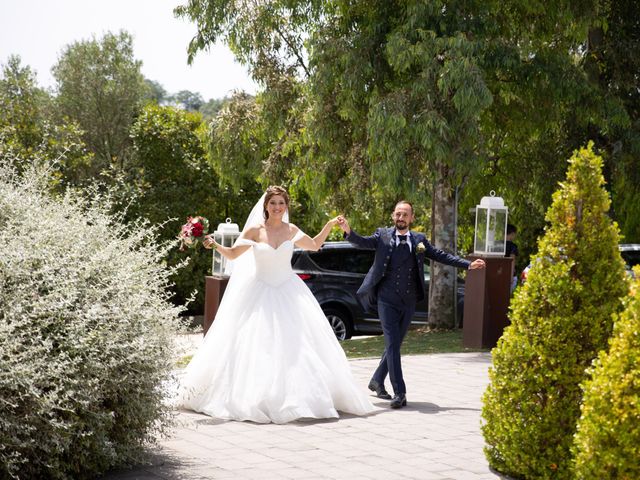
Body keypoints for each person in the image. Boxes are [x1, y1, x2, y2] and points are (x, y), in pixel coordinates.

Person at [177, 186, 374, 423]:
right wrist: (215, 245)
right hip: (259, 292)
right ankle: (255, 398)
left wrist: (330, 225)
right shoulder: (254, 230)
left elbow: (314, 245)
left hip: (289, 292)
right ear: (266, 206)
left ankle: (298, 398)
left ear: (286, 206)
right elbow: (232, 255)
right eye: (273, 203)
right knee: (255, 346)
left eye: (281, 203)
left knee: (298, 347)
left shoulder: (292, 230)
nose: (277, 207)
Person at [337, 201, 485, 409]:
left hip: (408, 301)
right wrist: (348, 231)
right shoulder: (383, 235)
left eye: (405, 214)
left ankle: (377, 380)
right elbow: (362, 242)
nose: (401, 217)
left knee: (395, 344)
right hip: (386, 300)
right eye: (398, 214)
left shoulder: (419, 240)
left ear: (412, 218)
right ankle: (400, 392)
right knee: (392, 344)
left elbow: (440, 256)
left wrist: (467, 264)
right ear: (392, 216)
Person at [505, 224, 518, 293]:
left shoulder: (498, 244)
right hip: (509, 274)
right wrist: (511, 276)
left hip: (499, 273)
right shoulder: (513, 246)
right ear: (512, 234)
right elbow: (512, 261)